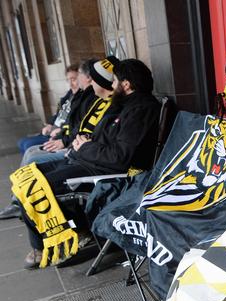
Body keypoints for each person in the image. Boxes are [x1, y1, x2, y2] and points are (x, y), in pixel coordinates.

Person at [19, 57, 161, 268]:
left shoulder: (140, 109)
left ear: (126, 85)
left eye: (114, 81)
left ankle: (44, 246)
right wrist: (82, 143)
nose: (111, 86)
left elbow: (119, 157)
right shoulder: (125, 105)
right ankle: (78, 231)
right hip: (87, 159)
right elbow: (107, 138)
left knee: (34, 187)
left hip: (99, 170)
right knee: (28, 174)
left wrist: (85, 147)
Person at [0, 59, 103, 220]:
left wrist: (65, 140)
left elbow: (86, 130)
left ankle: (20, 204)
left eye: (77, 77)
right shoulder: (84, 95)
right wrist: (63, 136)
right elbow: (77, 124)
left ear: (88, 77)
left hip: (79, 153)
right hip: (75, 147)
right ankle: (17, 202)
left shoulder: (95, 98)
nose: (73, 82)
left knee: (33, 158)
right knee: (30, 152)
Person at [16, 65, 79, 154]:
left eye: (73, 79)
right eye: (68, 80)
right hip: (52, 130)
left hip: (61, 134)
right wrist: (49, 124)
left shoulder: (82, 98)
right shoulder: (68, 95)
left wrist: (61, 129)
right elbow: (58, 113)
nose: (70, 84)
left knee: (28, 146)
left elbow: (77, 122)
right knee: (21, 142)